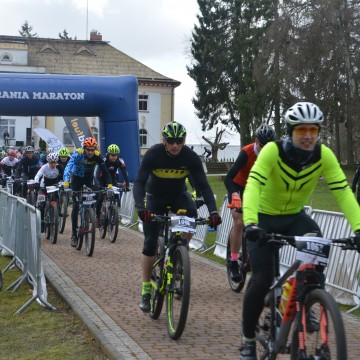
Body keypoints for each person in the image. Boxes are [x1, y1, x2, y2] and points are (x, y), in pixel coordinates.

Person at [239, 102, 360, 359]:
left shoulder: (323, 155)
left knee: (319, 251)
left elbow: (343, 193)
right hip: (263, 217)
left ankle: (308, 297)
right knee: (262, 278)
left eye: (313, 130)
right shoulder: (272, 151)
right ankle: (248, 338)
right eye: (301, 130)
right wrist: (250, 223)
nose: (307, 136)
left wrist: (359, 228)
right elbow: (252, 186)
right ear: (290, 131)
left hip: (295, 217)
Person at [133, 121, 222, 313]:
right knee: (149, 243)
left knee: (192, 213)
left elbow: (204, 186)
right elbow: (139, 181)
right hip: (155, 197)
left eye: (179, 141)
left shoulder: (190, 157)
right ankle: (146, 290)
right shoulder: (154, 154)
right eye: (171, 141)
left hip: (178, 196)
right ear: (164, 140)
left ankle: (181, 249)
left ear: (184, 141)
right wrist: (141, 207)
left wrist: (214, 212)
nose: (175, 145)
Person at [224, 123, 276, 282]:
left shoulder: (274, 155)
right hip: (238, 186)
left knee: (263, 224)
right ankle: (233, 261)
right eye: (262, 145)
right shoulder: (246, 152)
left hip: (258, 189)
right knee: (239, 222)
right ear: (256, 141)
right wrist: (235, 196)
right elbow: (228, 178)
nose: (265, 148)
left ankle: (254, 259)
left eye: (269, 145)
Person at [63, 137, 112, 247]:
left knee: (99, 193)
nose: (90, 152)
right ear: (84, 148)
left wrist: (109, 185)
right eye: (88, 149)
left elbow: (106, 171)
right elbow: (68, 167)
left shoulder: (97, 155)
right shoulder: (78, 153)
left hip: (89, 178)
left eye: (92, 149)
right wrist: (66, 183)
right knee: (75, 206)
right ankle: (74, 235)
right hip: (76, 178)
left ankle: (94, 215)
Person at [34, 152, 62, 232]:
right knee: (41, 203)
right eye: (51, 163)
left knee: (56, 198)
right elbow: (38, 175)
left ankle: (57, 212)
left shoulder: (59, 167)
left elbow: (64, 175)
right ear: (48, 162)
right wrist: (36, 181)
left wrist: (65, 182)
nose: (53, 164)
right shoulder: (44, 167)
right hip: (44, 186)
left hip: (54, 186)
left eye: (54, 162)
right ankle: (42, 222)